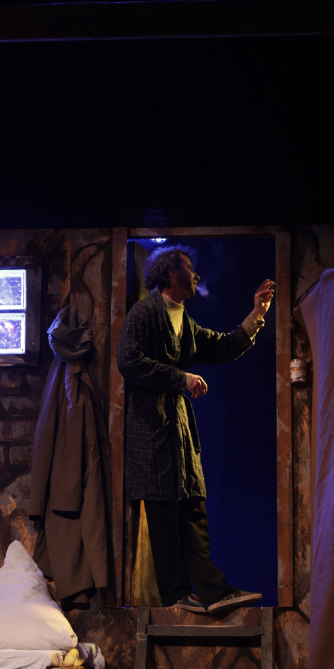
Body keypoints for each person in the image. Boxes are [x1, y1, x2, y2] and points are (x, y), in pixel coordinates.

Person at [117, 245, 274, 612]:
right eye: (189, 267)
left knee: (193, 509)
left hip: (179, 430)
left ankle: (212, 591)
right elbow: (129, 360)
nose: (196, 275)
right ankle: (176, 594)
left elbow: (223, 347)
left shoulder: (183, 320)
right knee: (163, 513)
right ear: (171, 272)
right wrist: (181, 378)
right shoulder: (145, 312)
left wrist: (257, 314)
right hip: (152, 428)